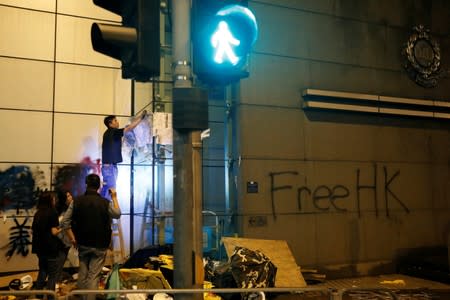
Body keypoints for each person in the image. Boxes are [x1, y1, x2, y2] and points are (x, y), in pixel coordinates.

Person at [60, 174, 121, 300]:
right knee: (93, 275)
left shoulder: (76, 201)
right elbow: (117, 214)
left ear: (86, 184)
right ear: (99, 186)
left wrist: (72, 238)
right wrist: (114, 197)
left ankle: (81, 297)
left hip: (82, 243)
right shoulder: (105, 203)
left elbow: (64, 222)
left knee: (83, 272)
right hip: (100, 244)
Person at [101, 110, 147, 199]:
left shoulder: (109, 133)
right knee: (111, 191)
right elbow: (129, 128)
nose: (117, 122)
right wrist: (141, 118)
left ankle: (105, 209)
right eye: (115, 121)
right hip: (109, 167)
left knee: (108, 190)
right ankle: (107, 210)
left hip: (110, 166)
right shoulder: (113, 132)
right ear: (110, 124)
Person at [32, 191, 65, 296]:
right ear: (50, 200)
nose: (55, 200)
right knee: (52, 275)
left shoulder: (38, 213)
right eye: (53, 198)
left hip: (39, 249)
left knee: (42, 271)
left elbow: (33, 230)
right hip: (51, 248)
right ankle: (51, 296)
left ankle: (38, 295)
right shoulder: (53, 212)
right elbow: (54, 232)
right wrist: (61, 227)